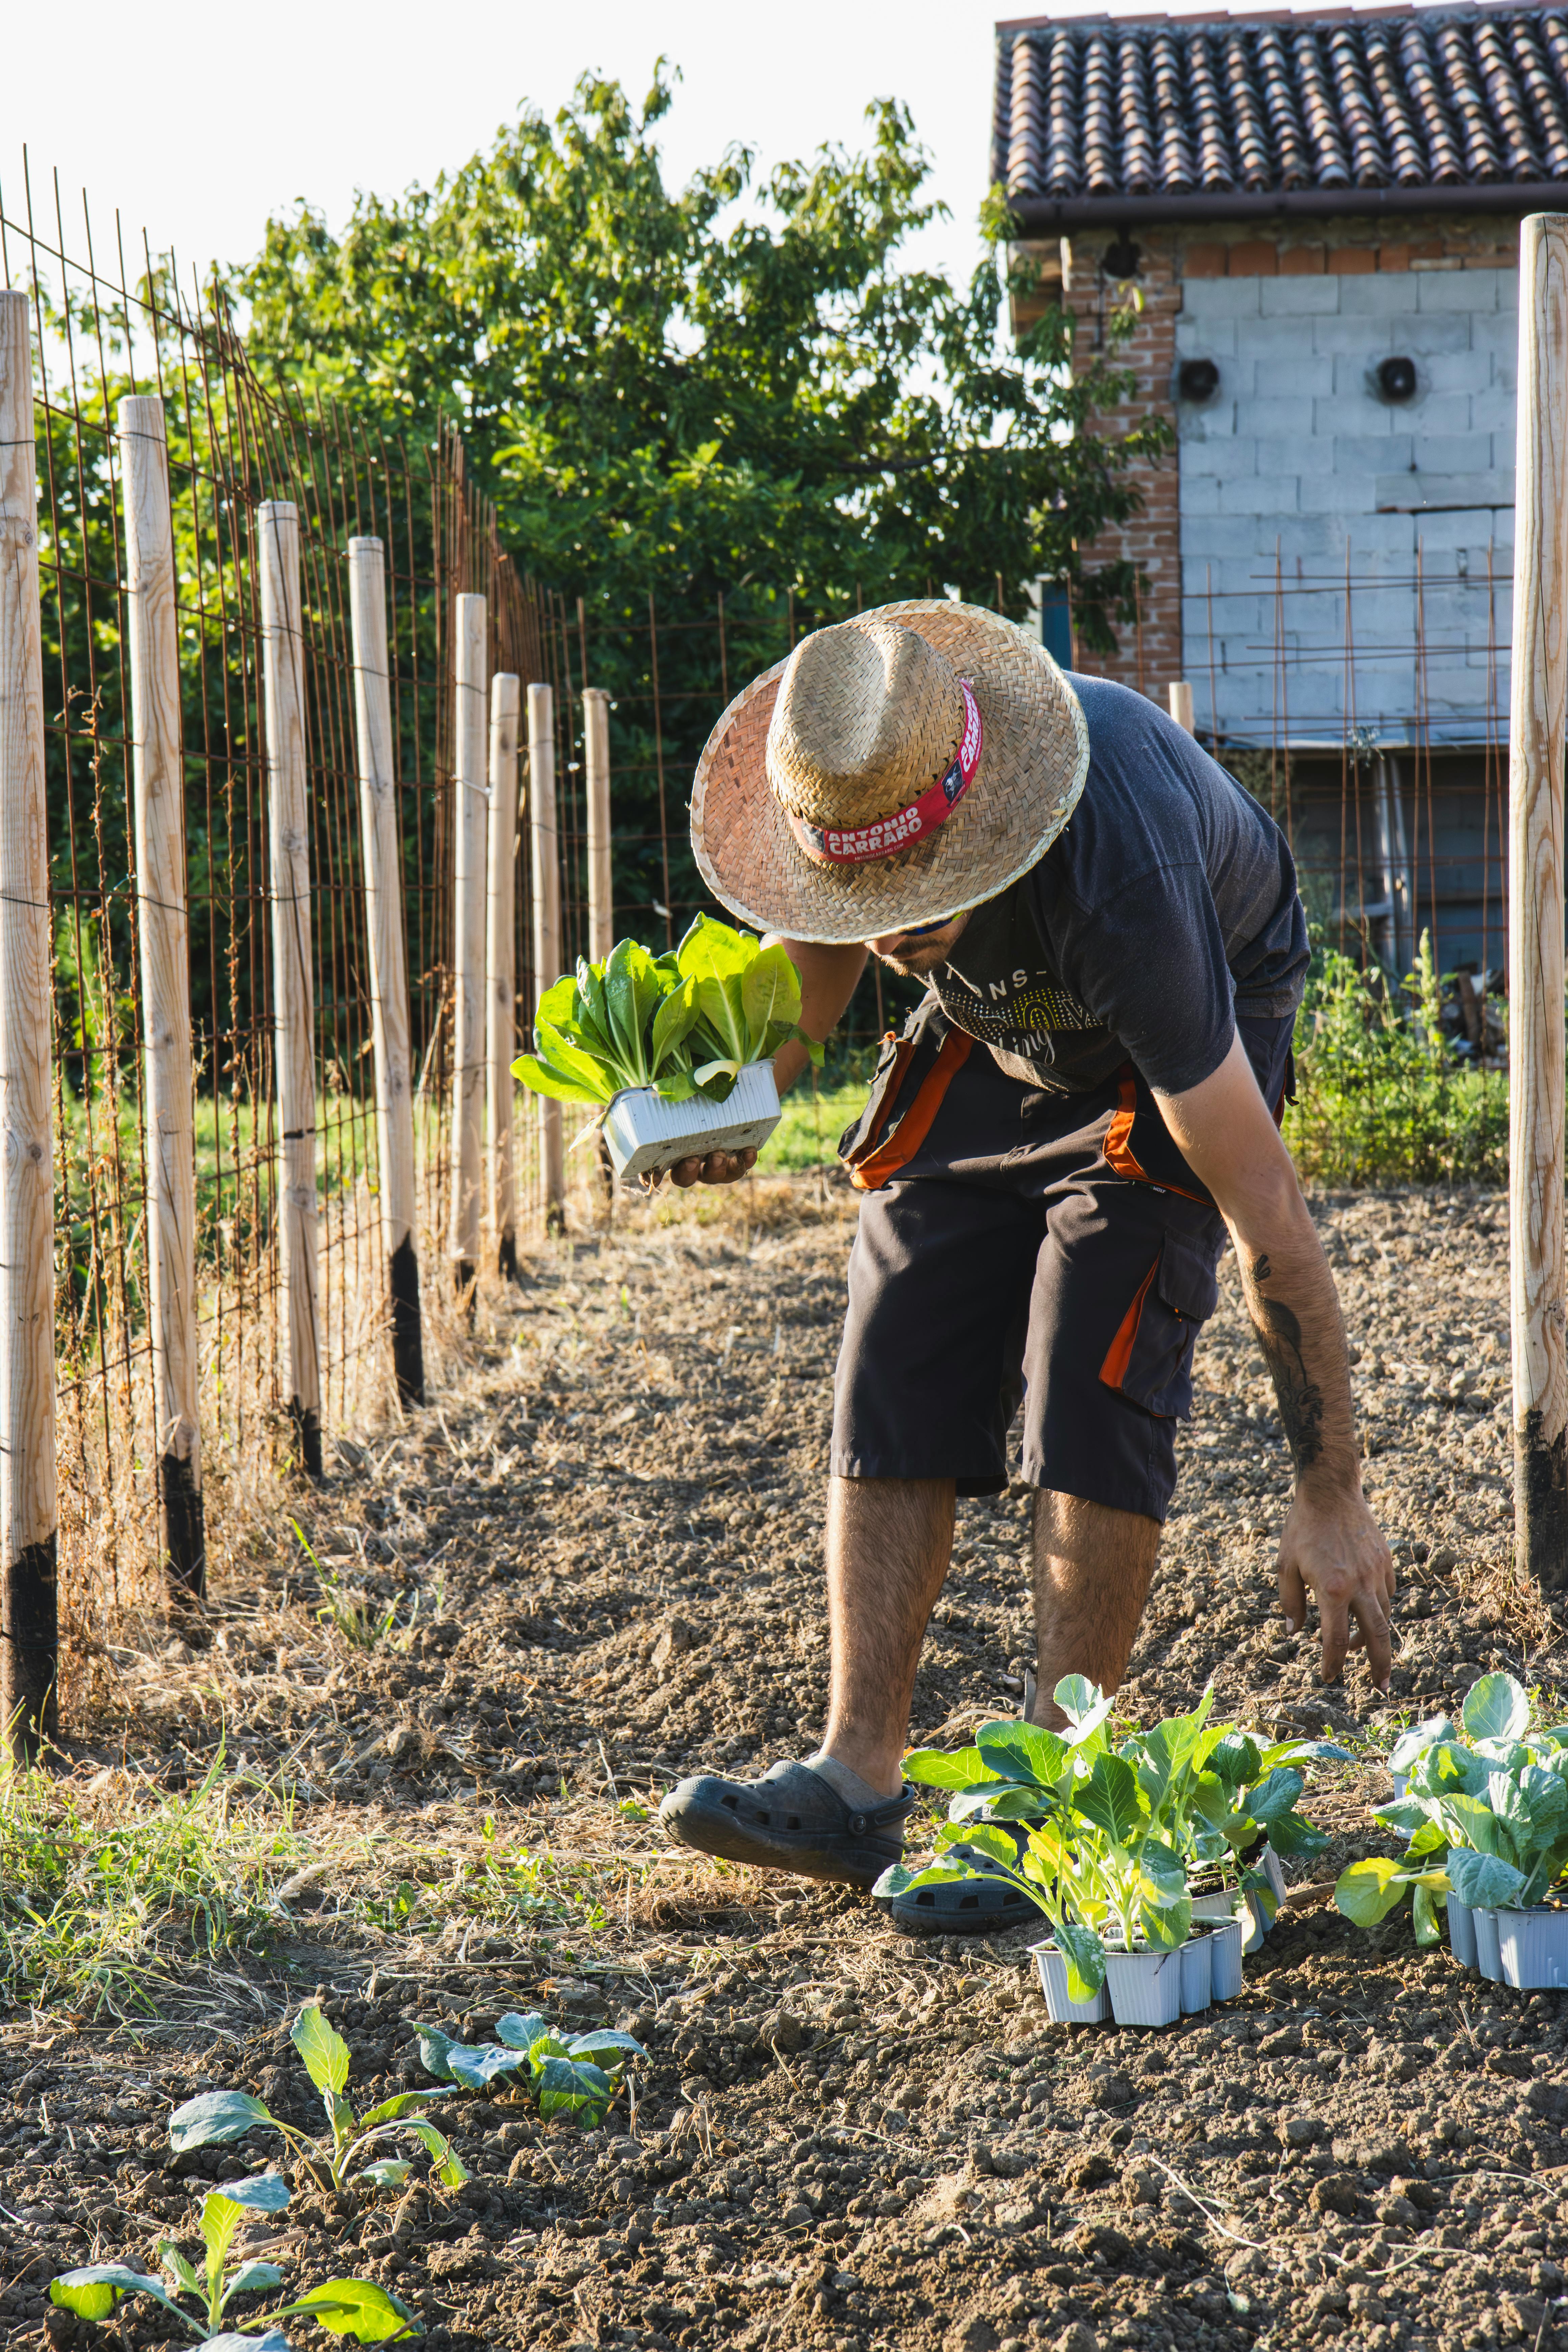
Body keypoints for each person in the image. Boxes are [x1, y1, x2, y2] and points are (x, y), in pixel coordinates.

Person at [657, 599, 1393, 1935]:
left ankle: (1053, 1793)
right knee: (896, 1327)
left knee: (1091, 1362)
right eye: (861, 894)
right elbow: (805, 996)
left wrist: (1328, 1487)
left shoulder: (1119, 882)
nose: (885, 928)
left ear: (978, 816)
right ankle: (855, 1778)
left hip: (1173, 1034)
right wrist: (709, 1118)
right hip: (1004, 1035)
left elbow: (1264, 1210)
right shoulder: (856, 783)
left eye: (916, 892)